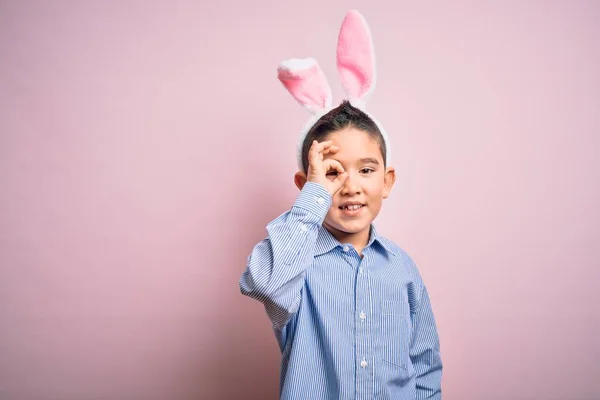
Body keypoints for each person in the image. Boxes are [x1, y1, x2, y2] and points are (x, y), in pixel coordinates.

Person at [239, 10, 442, 400]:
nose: (351, 186)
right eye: (332, 174)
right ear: (307, 186)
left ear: (387, 182)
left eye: (366, 170)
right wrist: (313, 199)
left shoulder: (402, 268)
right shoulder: (295, 265)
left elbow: (425, 363)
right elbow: (260, 282)